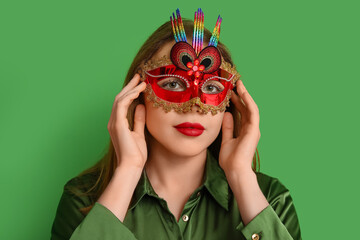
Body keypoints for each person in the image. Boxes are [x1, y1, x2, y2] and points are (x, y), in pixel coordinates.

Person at [51, 8, 302, 240]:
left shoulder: (271, 200)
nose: (194, 104)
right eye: (172, 83)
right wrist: (127, 171)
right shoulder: (82, 200)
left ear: (230, 101)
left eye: (211, 87)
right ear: (137, 93)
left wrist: (241, 177)